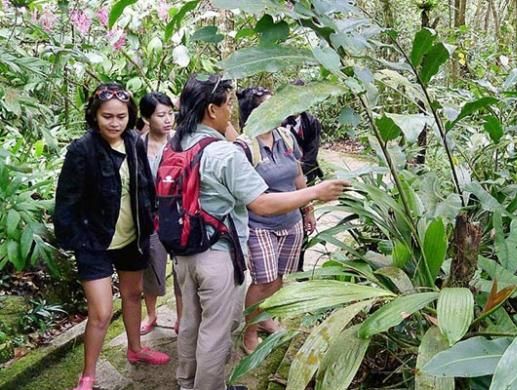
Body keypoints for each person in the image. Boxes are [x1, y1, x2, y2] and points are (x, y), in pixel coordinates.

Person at [165, 75, 348, 390]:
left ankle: (187, 383)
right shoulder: (224, 153)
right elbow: (261, 204)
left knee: (192, 322)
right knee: (217, 330)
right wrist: (316, 193)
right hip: (216, 254)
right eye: (227, 107)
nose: (230, 114)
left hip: (183, 251)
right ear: (212, 109)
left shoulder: (175, 143)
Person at [54, 83, 170, 390]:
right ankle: (88, 375)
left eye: (121, 116)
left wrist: (151, 219)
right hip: (94, 242)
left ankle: (135, 349)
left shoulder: (134, 140)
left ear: (130, 116)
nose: (114, 123)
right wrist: (76, 240)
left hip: (132, 237)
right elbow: (66, 200)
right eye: (107, 116)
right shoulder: (82, 149)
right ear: (95, 115)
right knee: (102, 312)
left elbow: (144, 183)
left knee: (133, 296)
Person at [236, 87, 316, 353]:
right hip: (259, 225)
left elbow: (297, 176)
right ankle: (249, 329)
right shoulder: (244, 146)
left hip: (290, 223)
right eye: (273, 105)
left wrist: (308, 209)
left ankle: (265, 319)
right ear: (257, 112)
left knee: (279, 278)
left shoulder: (286, 137)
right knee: (262, 282)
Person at [137, 92, 182, 335]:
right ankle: (151, 314)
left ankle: (181, 317)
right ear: (146, 117)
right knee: (152, 267)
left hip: (178, 215)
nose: (167, 120)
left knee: (181, 269)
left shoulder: (180, 142)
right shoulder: (138, 144)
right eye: (160, 115)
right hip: (151, 217)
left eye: (170, 114)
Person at [282, 80, 324, 185]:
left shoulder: (312, 122)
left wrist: (302, 171)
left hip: (306, 171)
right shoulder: (279, 122)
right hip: (284, 173)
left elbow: (312, 150)